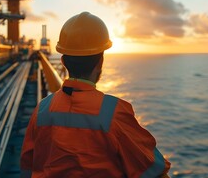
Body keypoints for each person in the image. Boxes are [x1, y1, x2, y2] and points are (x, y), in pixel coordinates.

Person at [20, 12, 171, 177]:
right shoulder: (114, 113)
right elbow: (153, 170)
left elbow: (28, 166)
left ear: (63, 61)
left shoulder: (42, 109)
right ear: (100, 62)